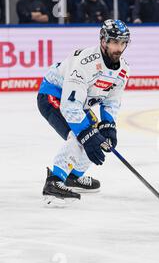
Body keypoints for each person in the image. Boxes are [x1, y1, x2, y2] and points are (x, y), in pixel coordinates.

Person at [37, 19, 130, 206]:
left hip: (79, 104)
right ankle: (54, 182)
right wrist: (87, 134)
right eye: (114, 42)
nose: (118, 48)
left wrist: (109, 127)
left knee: (99, 139)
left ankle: (73, 177)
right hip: (53, 95)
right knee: (80, 137)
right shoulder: (84, 62)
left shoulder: (123, 70)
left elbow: (111, 101)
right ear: (103, 41)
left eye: (122, 43)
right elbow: (69, 106)